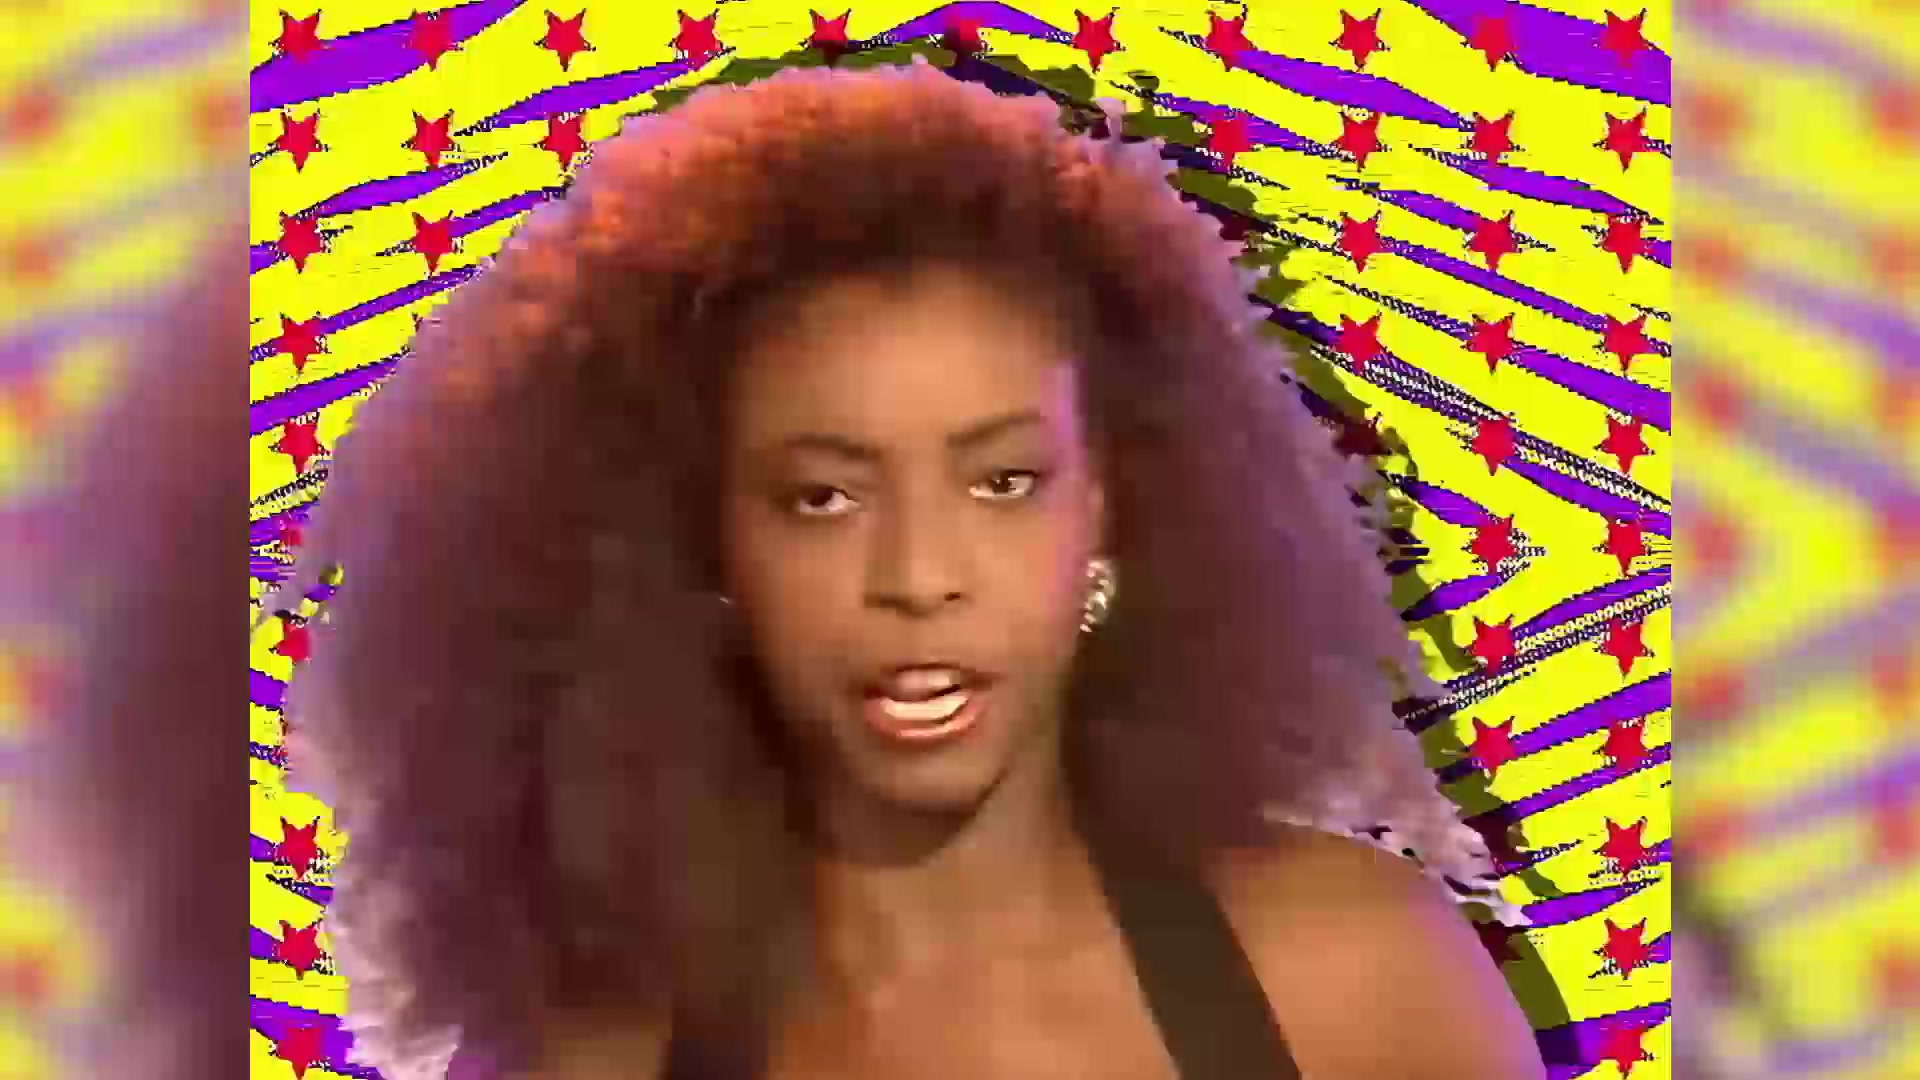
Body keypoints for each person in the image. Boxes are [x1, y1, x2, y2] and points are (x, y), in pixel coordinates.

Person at [275, 60, 1544, 1080]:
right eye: (823, 497)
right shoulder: (598, 1059)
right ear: (700, 548)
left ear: (1112, 510)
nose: (921, 575)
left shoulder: (1348, 977)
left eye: (1003, 481)